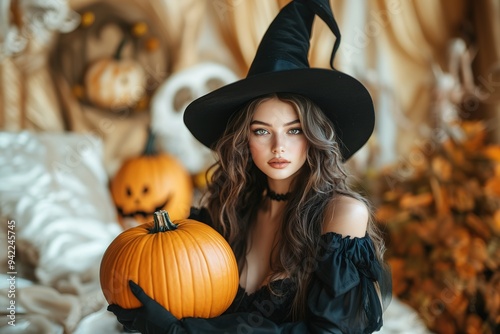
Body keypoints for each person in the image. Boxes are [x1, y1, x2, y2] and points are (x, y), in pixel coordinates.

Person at [108, 0, 392, 333]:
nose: (278, 147)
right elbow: (186, 287)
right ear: (243, 140)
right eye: (261, 131)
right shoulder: (231, 210)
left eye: (294, 129)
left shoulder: (342, 215)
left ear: (314, 136)